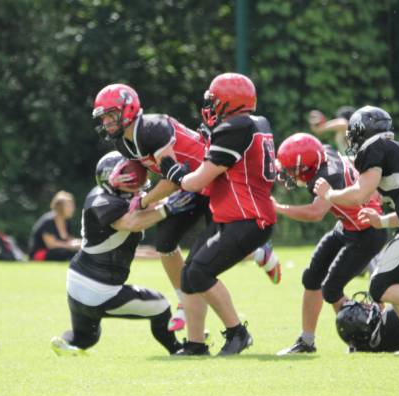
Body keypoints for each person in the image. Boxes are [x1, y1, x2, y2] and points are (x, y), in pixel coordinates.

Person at [91, 83, 281, 333]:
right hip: (188, 185)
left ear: (128, 109)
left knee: (208, 256)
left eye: (111, 114)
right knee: (166, 245)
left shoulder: (152, 128)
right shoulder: (124, 144)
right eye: (103, 116)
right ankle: (185, 299)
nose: (106, 122)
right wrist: (137, 190)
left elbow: (170, 176)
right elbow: (157, 173)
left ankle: (257, 253)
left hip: (209, 181)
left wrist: (145, 200)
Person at [313, 105, 399, 353]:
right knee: (393, 283)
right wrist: (382, 222)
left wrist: (330, 194)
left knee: (378, 287)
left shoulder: (374, 148)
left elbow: (360, 194)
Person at [160, 72, 277, 356]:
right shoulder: (256, 123)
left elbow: (198, 180)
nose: (210, 107)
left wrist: (173, 171)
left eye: (214, 101)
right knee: (189, 275)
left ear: (229, 102)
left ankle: (238, 333)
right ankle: (196, 344)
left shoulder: (234, 128)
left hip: (247, 219)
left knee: (200, 272)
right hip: (237, 216)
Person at [50, 152, 193, 357]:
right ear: (112, 177)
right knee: (160, 305)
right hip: (101, 288)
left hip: (76, 282)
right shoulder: (104, 201)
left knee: (87, 337)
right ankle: (176, 349)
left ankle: (66, 344)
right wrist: (167, 209)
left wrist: (172, 191)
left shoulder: (107, 195)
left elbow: (143, 205)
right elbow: (131, 222)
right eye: (132, 177)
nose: (139, 182)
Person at [273, 133, 387, 354]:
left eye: (291, 169)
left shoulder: (327, 175)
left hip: (366, 232)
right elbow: (352, 164)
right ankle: (306, 341)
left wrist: (278, 208)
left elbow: (315, 213)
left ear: (306, 167)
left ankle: (368, 331)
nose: (287, 174)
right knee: (312, 277)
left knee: (332, 289)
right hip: (348, 225)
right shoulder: (325, 152)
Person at [28, 190, 81, 261]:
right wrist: (70, 246)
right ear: (60, 207)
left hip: (60, 250)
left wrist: (81, 243)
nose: (72, 209)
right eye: (69, 206)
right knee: (63, 252)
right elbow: (51, 245)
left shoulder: (67, 222)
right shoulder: (48, 221)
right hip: (40, 254)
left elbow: (69, 240)